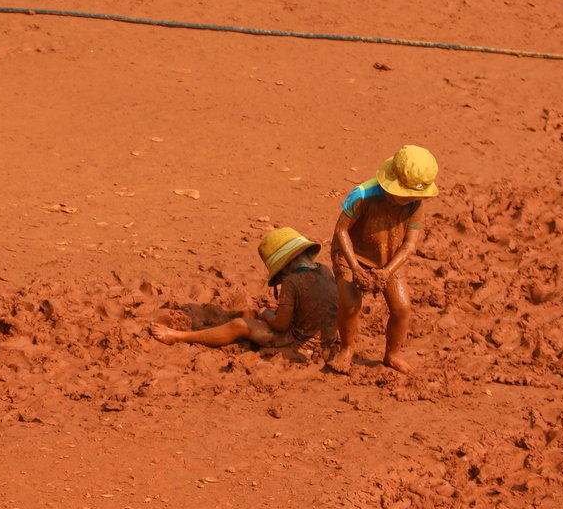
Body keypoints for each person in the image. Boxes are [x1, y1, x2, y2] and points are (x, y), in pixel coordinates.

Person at [327, 144, 440, 374]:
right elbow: (341, 232)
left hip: (389, 258)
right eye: (403, 195)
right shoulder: (362, 195)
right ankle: (346, 349)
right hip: (350, 254)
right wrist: (355, 267)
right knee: (351, 304)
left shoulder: (415, 204)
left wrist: (388, 271)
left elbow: (409, 244)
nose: (407, 200)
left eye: (412, 196)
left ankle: (392, 354)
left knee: (402, 308)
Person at [150, 227, 338, 353]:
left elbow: (280, 325)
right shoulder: (323, 269)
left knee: (239, 325)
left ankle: (179, 336)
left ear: (284, 266)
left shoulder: (293, 281)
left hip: (298, 343)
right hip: (327, 338)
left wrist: (265, 315)